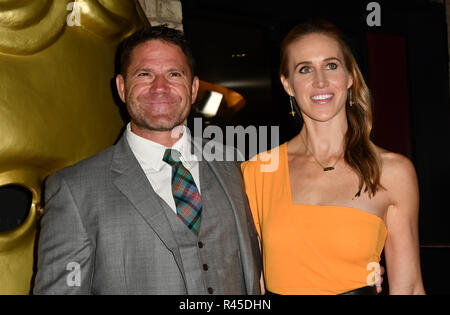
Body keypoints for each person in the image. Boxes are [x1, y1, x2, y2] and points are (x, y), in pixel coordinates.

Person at [33, 25, 261, 295]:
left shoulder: (234, 165)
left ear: (193, 88)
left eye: (174, 74)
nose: (160, 88)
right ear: (121, 87)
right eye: (145, 74)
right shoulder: (73, 190)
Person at [241, 19, 425, 295]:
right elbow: (253, 283)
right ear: (287, 84)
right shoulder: (258, 171)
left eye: (331, 65)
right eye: (305, 69)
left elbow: (408, 288)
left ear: (350, 76)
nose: (320, 81)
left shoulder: (392, 171)